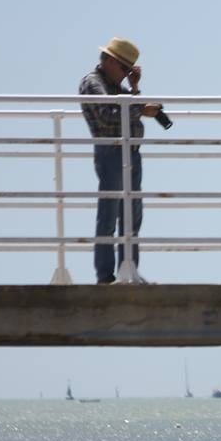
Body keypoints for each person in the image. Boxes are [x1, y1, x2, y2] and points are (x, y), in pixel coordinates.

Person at [79, 37, 163, 285]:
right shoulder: (93, 83)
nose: (126, 74)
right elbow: (108, 116)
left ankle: (129, 270)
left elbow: (130, 107)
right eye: (124, 69)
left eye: (130, 71)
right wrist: (139, 108)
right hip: (111, 152)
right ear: (110, 62)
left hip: (130, 153)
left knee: (132, 216)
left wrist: (135, 90)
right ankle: (105, 277)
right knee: (109, 214)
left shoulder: (117, 87)